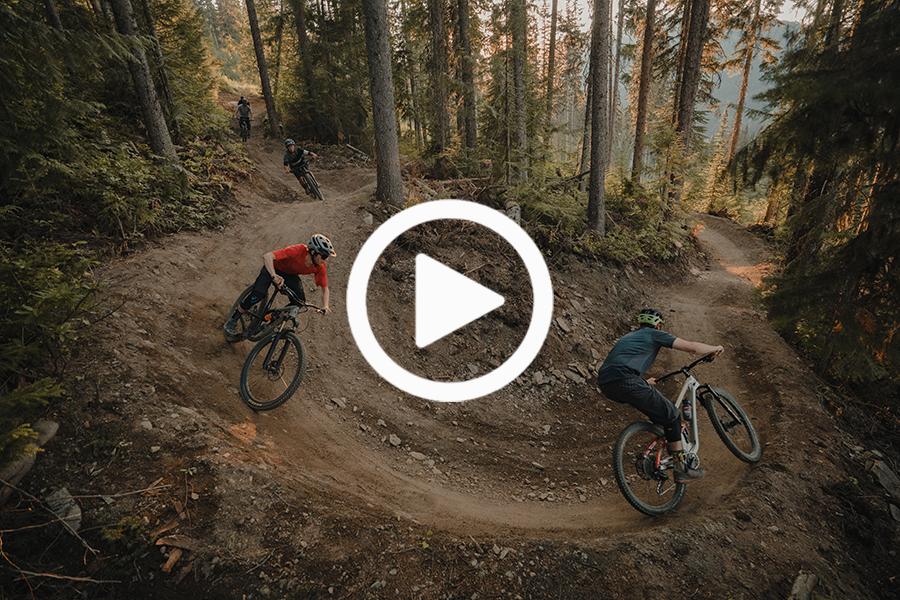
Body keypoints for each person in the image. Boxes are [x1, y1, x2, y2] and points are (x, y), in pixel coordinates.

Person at [597, 308, 724, 482]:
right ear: (658, 324)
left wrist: (642, 382)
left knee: (661, 415)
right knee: (672, 415)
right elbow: (692, 347)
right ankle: (681, 469)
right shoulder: (654, 334)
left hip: (607, 383)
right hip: (627, 380)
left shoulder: (627, 337)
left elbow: (619, 364)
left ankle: (662, 446)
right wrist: (714, 348)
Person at [223, 234, 335, 337]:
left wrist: (326, 306)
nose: (325, 260)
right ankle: (233, 319)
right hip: (273, 268)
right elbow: (267, 256)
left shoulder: (320, 266)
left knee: (299, 302)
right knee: (258, 294)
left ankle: (269, 318)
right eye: (324, 256)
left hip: (289, 275)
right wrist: (274, 276)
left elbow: (325, 288)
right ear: (314, 252)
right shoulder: (298, 250)